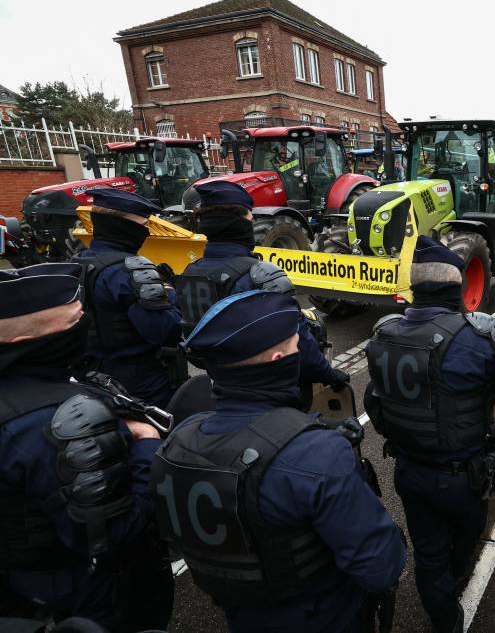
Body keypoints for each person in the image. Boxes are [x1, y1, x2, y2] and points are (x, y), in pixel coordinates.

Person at [151, 290, 406, 632]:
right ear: (276, 359)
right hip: (324, 616)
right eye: (293, 345)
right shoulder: (317, 453)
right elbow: (380, 566)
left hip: (241, 614)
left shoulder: (179, 440)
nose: (300, 350)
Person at [364, 236, 495, 632]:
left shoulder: (383, 334)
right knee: (463, 545)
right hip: (464, 478)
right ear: (458, 286)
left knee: (428, 555)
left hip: (410, 471)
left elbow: (373, 405)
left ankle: (444, 618)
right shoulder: (478, 335)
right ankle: (455, 585)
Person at [0, 262, 172, 631]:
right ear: (31, 339)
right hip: (87, 595)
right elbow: (115, 534)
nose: (86, 323)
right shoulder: (62, 421)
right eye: (76, 318)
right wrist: (145, 445)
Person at [176, 180, 348, 405]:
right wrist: (329, 375)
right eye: (249, 218)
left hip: (220, 386)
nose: (252, 222)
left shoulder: (191, 272)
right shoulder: (258, 276)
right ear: (238, 223)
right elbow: (299, 344)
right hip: (269, 393)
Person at [73, 188, 182, 408]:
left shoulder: (75, 264)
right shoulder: (129, 271)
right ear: (123, 227)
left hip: (87, 376)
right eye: (143, 225)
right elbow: (165, 331)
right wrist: (170, 295)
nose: (147, 232)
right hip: (140, 382)